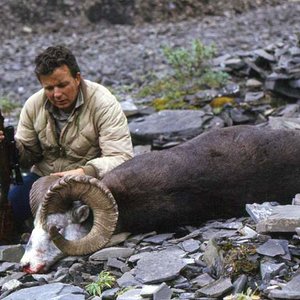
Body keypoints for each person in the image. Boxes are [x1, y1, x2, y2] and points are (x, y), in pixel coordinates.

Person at [0, 45, 134, 228]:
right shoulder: (33, 105)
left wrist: (84, 172)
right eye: (49, 88)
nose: (56, 94)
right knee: (10, 207)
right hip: (43, 181)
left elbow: (122, 158)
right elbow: (27, 157)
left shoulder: (103, 103)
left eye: (62, 85)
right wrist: (9, 146)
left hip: (88, 183)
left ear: (77, 78)